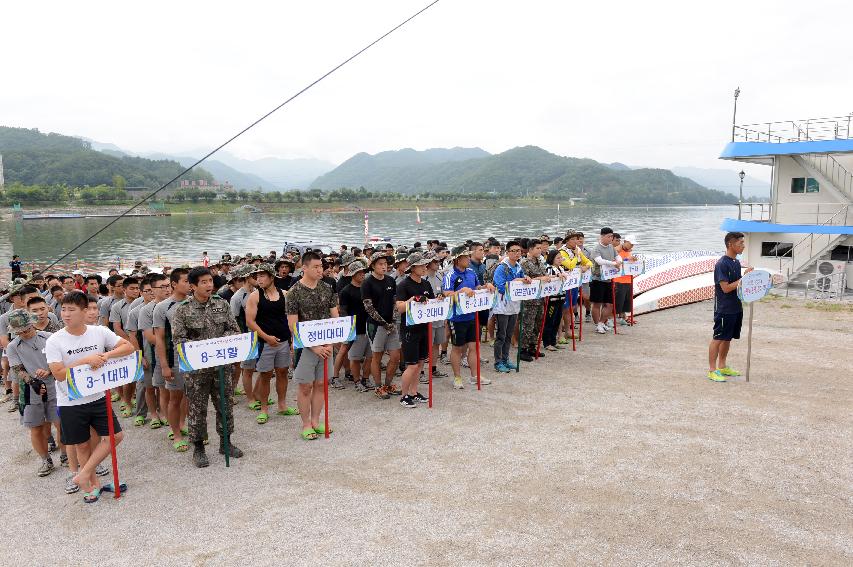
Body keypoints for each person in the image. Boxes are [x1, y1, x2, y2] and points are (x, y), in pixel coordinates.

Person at [45, 291, 135, 503]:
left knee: (115, 436)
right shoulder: (55, 341)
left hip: (98, 396)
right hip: (71, 401)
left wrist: (105, 355)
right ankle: (91, 485)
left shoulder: (99, 332)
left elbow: (128, 347)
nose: (66, 314)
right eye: (63, 309)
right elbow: (58, 374)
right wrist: (86, 360)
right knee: (82, 444)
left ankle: (83, 474)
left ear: (85, 311)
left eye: (71, 310)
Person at [171, 267, 243, 467]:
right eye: (203, 282)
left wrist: (220, 343)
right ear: (192, 286)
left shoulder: (222, 304)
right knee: (197, 409)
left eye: (210, 281)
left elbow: (233, 329)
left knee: (225, 405)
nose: (209, 285)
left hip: (221, 365)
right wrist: (201, 349)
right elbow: (178, 340)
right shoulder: (183, 309)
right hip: (197, 372)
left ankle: (226, 443)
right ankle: (199, 448)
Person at [285, 251, 339, 440]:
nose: (319, 270)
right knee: (305, 386)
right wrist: (314, 347)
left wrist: (331, 342)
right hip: (305, 347)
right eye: (315, 267)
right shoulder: (294, 293)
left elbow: (335, 317)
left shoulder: (327, 288)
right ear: (304, 268)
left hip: (327, 344)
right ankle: (306, 423)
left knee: (321, 384)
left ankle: (316, 421)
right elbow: (293, 325)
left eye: (321, 266)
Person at [5, 309, 61, 478]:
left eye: (27, 329)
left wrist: (49, 371)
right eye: (20, 332)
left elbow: (60, 359)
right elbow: (17, 369)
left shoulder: (49, 338)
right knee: (35, 428)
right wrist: (31, 380)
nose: (24, 333)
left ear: (32, 324)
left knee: (61, 423)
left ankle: (67, 454)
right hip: (31, 391)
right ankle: (46, 460)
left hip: (56, 387)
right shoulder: (13, 346)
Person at [244, 263, 298, 425]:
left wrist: (292, 340)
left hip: (283, 340)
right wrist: (266, 337)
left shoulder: (285, 294)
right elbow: (250, 322)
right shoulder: (255, 296)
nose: (259, 279)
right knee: (265, 375)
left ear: (271, 277)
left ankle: (282, 405)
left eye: (262, 276)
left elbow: (291, 318)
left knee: (282, 373)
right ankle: (264, 409)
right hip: (264, 342)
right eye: (257, 276)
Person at [443, 246, 493, 388]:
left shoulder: (471, 272)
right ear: (458, 259)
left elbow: (477, 288)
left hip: (472, 315)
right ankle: (457, 378)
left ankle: (474, 376)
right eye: (466, 257)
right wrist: (461, 291)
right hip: (457, 318)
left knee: (474, 346)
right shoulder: (450, 275)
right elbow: (446, 294)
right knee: (457, 348)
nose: (468, 259)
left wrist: (486, 286)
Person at [153, 268, 190, 452]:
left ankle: (184, 424)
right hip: (173, 357)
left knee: (190, 395)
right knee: (174, 397)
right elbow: (159, 338)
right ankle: (175, 433)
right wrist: (164, 365)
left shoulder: (195, 302)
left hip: (193, 358)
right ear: (174, 284)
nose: (189, 284)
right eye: (185, 281)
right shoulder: (163, 307)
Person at [708, 232, 752, 382]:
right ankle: (712, 370)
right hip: (724, 308)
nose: (743, 246)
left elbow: (737, 284)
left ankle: (722, 366)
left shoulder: (736, 262)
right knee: (718, 338)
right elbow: (726, 288)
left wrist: (747, 277)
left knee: (727, 338)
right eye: (740, 243)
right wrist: (743, 279)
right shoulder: (722, 264)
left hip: (736, 306)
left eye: (743, 243)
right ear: (730, 244)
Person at [395, 253, 435, 407]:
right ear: (412, 268)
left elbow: (430, 301)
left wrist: (437, 299)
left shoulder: (426, 284)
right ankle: (404, 395)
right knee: (411, 365)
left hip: (424, 327)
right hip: (410, 329)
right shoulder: (403, 285)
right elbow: (399, 308)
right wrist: (412, 300)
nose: (425, 267)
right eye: (422, 265)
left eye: (425, 264)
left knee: (419, 363)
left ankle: (414, 392)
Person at [361, 251, 402, 400]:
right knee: (376, 357)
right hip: (376, 325)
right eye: (380, 264)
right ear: (372, 266)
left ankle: (388, 384)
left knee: (396, 356)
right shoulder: (367, 283)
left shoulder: (391, 281)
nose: (384, 267)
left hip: (391, 324)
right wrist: (384, 323)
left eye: (385, 264)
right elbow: (369, 308)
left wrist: (393, 319)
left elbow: (394, 302)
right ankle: (378, 386)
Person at [138, 273, 170, 430]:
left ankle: (168, 414)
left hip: (173, 353)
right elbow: (150, 337)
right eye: (162, 287)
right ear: (152, 289)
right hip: (152, 354)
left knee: (172, 388)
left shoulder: (176, 304)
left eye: (168, 286)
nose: (167, 289)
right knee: (151, 387)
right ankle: (154, 414)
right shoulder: (146, 310)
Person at [491, 241, 529, 372]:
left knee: (509, 334)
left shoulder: (519, 266)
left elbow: (522, 280)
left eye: (518, 251)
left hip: (514, 305)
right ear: (507, 252)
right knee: (501, 335)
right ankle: (498, 361)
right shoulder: (502, 267)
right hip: (502, 305)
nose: (517, 253)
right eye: (513, 251)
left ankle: (506, 359)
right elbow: (500, 286)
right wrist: (516, 281)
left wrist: (526, 279)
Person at [109, 276, 141, 417]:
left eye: (137, 288)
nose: (135, 291)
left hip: (142, 343)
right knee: (130, 378)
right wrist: (130, 343)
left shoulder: (144, 304)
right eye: (132, 288)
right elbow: (117, 328)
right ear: (124, 289)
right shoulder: (117, 306)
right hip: (126, 344)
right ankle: (127, 403)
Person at [339, 260, 372, 392]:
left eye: (363, 272)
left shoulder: (367, 287)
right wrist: (348, 328)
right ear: (353, 274)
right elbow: (343, 311)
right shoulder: (346, 291)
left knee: (370, 356)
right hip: (355, 328)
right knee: (355, 357)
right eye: (359, 273)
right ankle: (357, 380)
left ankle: (366, 378)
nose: (362, 274)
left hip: (369, 326)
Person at [518, 238, 552, 361]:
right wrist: (541, 279)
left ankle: (532, 347)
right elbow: (526, 280)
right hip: (529, 299)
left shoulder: (539, 261)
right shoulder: (524, 263)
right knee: (528, 324)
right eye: (537, 248)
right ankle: (523, 349)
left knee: (537, 323)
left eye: (540, 248)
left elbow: (545, 275)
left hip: (540, 297)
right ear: (531, 249)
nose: (540, 250)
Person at [589, 228, 622, 335]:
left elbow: (619, 257)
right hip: (597, 279)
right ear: (602, 236)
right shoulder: (596, 248)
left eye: (612, 236)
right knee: (597, 304)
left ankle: (602, 323)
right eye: (608, 236)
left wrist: (618, 262)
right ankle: (597, 324)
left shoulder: (611, 247)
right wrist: (613, 263)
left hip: (609, 279)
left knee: (609, 304)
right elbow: (599, 261)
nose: (610, 239)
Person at [542, 249, 567, 351]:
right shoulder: (549, 268)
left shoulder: (561, 268)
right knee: (549, 320)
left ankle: (553, 341)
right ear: (552, 258)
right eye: (558, 258)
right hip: (551, 299)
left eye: (561, 257)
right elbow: (546, 278)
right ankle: (547, 342)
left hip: (560, 298)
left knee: (557, 320)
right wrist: (557, 276)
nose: (560, 259)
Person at [613, 234, 638, 326]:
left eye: (633, 244)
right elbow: (615, 263)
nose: (632, 246)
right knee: (618, 301)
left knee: (626, 301)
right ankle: (612, 319)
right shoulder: (617, 250)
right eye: (630, 243)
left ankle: (623, 317)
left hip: (628, 279)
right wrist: (628, 259)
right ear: (625, 242)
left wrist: (633, 260)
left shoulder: (629, 251)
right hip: (618, 280)